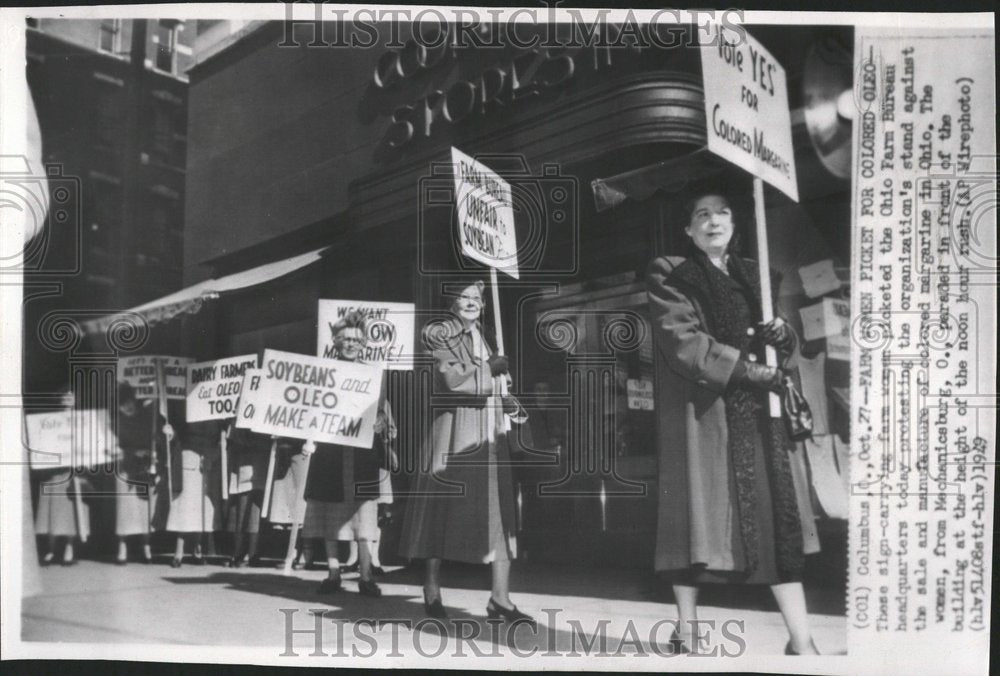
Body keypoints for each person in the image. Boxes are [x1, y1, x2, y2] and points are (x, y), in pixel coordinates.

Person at [646, 190, 820, 655]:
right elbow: (684, 342)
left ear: (735, 223)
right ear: (688, 230)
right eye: (701, 214)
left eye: (722, 212)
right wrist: (751, 370)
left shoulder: (757, 275)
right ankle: (687, 631)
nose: (712, 220)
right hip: (704, 418)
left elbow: (781, 345)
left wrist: (782, 336)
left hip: (760, 421)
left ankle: (801, 641)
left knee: (776, 524)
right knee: (694, 526)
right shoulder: (670, 273)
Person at [399, 281, 532, 623]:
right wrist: (491, 370)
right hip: (455, 428)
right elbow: (451, 379)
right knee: (440, 509)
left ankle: (500, 599)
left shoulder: (488, 337)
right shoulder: (439, 332)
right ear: (452, 302)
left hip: (490, 432)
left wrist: (505, 388)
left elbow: (491, 382)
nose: (472, 302)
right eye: (465, 297)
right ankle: (431, 588)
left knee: (500, 511)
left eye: (477, 298)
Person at [300, 310, 397, 598]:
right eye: (344, 339)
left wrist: (381, 421)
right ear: (334, 341)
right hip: (330, 451)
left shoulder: (374, 374)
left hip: (362, 454)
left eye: (355, 339)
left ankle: (366, 575)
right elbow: (311, 408)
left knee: (364, 516)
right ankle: (333, 573)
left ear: (364, 342)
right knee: (330, 512)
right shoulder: (323, 372)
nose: (350, 344)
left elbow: (381, 410)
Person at [34, 387, 90, 566]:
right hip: (56, 472)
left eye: (71, 396)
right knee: (53, 511)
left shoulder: (84, 420)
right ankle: (50, 550)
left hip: (73, 472)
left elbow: (89, 445)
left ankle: (69, 549)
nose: (68, 399)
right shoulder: (50, 421)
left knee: (70, 513)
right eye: (65, 396)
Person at [164, 414, 222, 567]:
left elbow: (218, 439)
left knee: (202, 508)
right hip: (188, 461)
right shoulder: (189, 412)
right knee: (185, 507)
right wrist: (171, 433)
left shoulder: (216, 414)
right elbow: (177, 434)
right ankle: (179, 551)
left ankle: (197, 547)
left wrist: (211, 455)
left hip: (208, 463)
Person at [112, 382, 153, 565]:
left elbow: (154, 442)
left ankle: (146, 547)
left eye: (129, 402)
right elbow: (111, 448)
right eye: (122, 404)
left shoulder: (146, 420)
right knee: (125, 511)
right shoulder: (115, 423)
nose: (126, 407)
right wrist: (130, 453)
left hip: (143, 469)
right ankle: (123, 547)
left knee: (144, 510)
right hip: (124, 469)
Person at [225, 425, 271, 567]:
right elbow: (233, 441)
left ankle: (253, 553)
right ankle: (238, 553)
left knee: (256, 513)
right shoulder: (240, 422)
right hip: (245, 467)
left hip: (261, 467)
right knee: (242, 512)